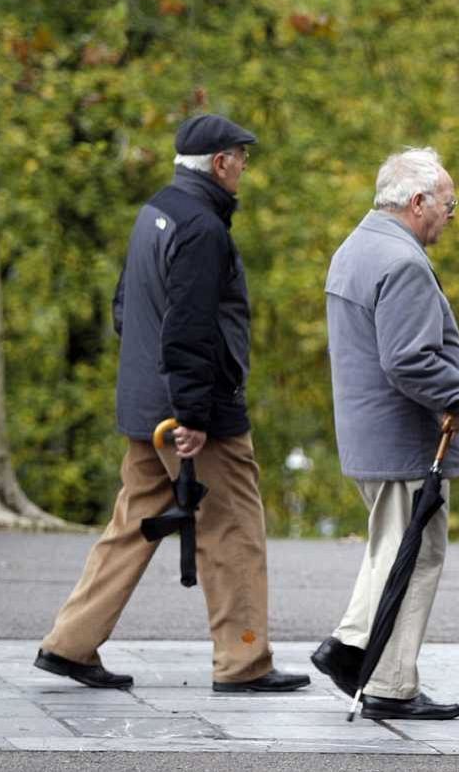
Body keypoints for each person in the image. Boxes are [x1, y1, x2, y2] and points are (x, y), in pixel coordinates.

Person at [36, 113, 310, 693]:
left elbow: (124, 307)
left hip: (146, 402)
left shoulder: (155, 212)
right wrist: (192, 415)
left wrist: (155, 392)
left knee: (133, 524)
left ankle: (70, 643)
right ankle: (243, 662)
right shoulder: (203, 230)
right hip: (192, 412)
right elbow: (189, 329)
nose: (244, 168)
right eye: (241, 157)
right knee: (233, 529)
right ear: (220, 163)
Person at [311, 147, 459, 720]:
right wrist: (458, 396)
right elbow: (409, 359)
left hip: (369, 434)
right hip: (404, 439)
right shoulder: (401, 261)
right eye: (448, 203)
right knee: (416, 554)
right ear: (417, 202)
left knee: (391, 547)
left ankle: (351, 648)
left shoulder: (355, 247)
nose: (451, 215)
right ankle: (387, 680)